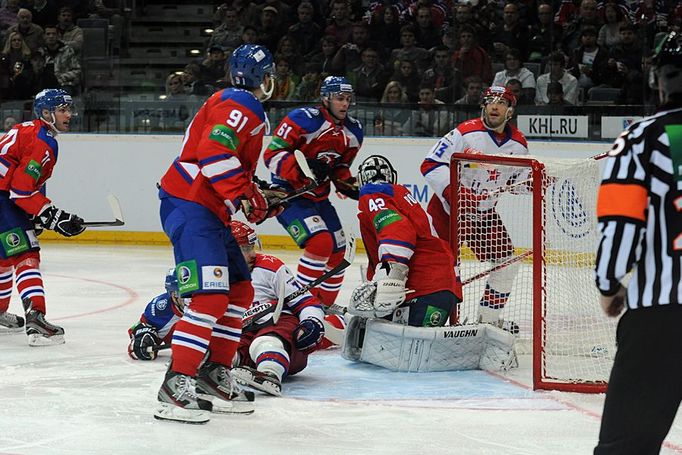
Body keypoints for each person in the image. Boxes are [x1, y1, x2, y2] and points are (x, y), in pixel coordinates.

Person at [154, 44, 284, 424]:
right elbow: (214, 154)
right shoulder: (244, 103)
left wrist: (255, 194)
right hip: (193, 206)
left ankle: (214, 372)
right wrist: (245, 194)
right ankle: (176, 385)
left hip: (209, 209)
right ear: (264, 77)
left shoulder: (232, 100)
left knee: (241, 290)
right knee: (210, 298)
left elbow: (223, 161)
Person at [128, 221, 345, 396]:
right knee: (218, 353)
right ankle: (220, 374)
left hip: (277, 329)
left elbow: (305, 302)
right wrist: (142, 338)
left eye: (252, 247)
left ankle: (270, 375)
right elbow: (146, 327)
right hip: (239, 338)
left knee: (267, 341)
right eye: (244, 249)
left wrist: (313, 322)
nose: (251, 254)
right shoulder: (206, 273)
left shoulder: (269, 267)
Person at [594, 31, 682, 454]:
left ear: (660, 81)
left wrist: (610, 287)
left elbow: (620, 223)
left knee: (625, 447)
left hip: (659, 316)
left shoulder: (638, 139)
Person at [420, 86, 529, 328]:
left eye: (501, 102)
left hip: (483, 215)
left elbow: (515, 183)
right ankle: (424, 317)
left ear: (510, 111)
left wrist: (535, 183)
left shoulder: (518, 144)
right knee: (437, 266)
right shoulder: (465, 133)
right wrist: (455, 192)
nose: (494, 106)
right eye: (490, 101)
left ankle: (487, 321)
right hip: (447, 214)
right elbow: (430, 164)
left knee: (507, 263)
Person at [263, 75, 363, 307]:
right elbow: (272, 155)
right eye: (339, 98)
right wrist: (301, 170)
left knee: (339, 253)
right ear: (326, 98)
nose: (345, 104)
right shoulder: (302, 119)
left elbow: (340, 167)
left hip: (319, 197)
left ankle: (322, 307)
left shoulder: (354, 131)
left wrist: (349, 185)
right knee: (320, 243)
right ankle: (299, 304)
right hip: (290, 195)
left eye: (348, 99)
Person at [0, 89, 85, 345]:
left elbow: (25, 186)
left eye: (68, 109)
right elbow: (21, 190)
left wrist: (39, 213)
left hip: (4, 198)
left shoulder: (28, 130)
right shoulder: (43, 140)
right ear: (47, 113)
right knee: (27, 255)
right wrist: (54, 216)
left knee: (4, 259)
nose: (68, 115)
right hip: (3, 200)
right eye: (62, 110)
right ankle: (36, 319)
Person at [348, 155, 461, 325]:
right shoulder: (401, 196)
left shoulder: (371, 192)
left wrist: (392, 274)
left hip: (422, 289)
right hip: (443, 286)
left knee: (394, 345)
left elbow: (397, 229)